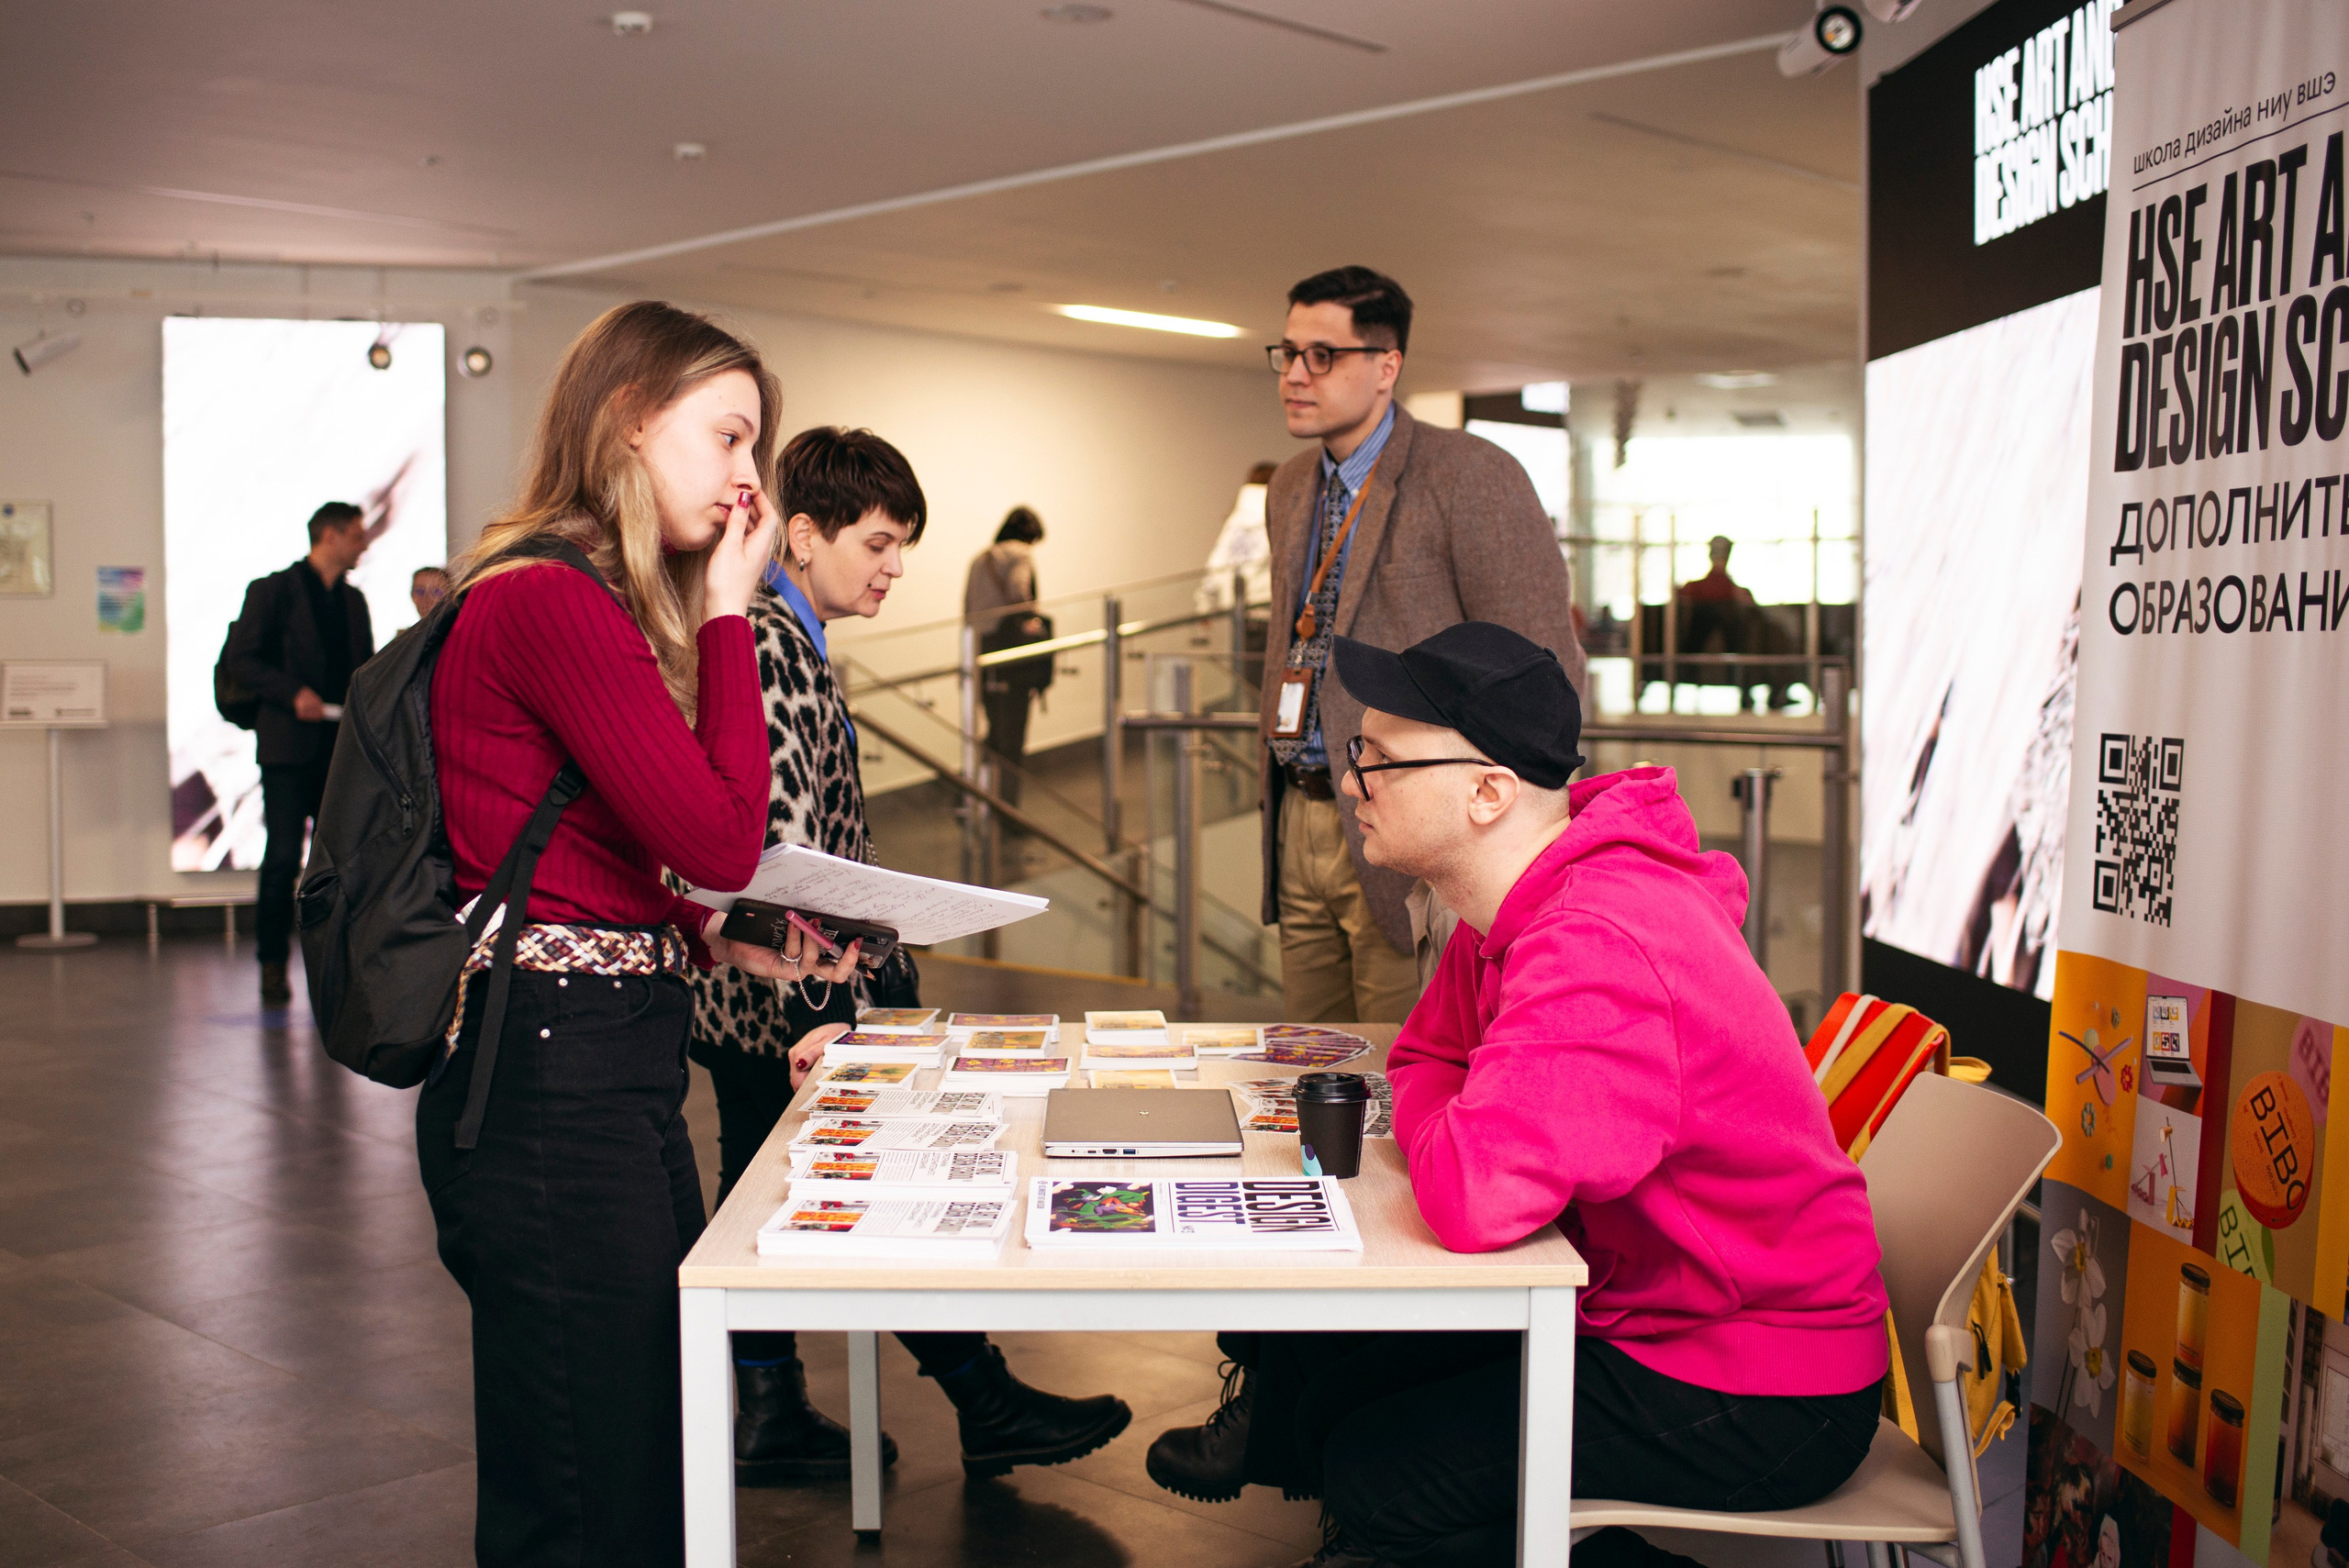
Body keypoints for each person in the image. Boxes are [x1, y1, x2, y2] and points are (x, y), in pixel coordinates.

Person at [1154, 622, 1889, 1568]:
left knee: (1378, 1463)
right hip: (1648, 1308)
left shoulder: (1595, 939)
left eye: (1377, 759)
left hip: (1754, 1375)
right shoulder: (1514, 896)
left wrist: (1453, 1112)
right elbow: (1423, 1054)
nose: (1349, 782)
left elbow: (1470, 1194)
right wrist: (1455, 1106)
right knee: (1330, 1401)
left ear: (1487, 790)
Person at [417, 300, 855, 1568]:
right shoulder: (547, 600)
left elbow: (588, 850)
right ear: (626, 418)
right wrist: (728, 606)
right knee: (587, 1477)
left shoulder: (573, 596)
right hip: (551, 1075)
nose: (745, 485)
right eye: (727, 439)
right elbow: (721, 834)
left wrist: (712, 934)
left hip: (598, 1052)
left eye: (753, 451)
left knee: (641, 1440)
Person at [686, 427, 1130, 1485]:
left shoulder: (782, 636)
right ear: (801, 533)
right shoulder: (761, 643)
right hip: (789, 991)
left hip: (781, 985)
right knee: (839, 1195)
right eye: (878, 542)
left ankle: (776, 1405)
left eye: (902, 546)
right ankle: (971, 1397)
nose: (893, 567)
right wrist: (832, 992)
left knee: (762, 1184)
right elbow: (779, 848)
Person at [1258, 265, 1585, 1026]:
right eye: (1287, 353)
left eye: (1322, 355)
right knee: (1308, 1064)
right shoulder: (1290, 486)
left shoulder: (1471, 477)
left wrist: (1516, 849)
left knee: (1403, 1070)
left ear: (1386, 366)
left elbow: (1545, 676)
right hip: (1304, 805)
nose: (1296, 375)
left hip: (1420, 825)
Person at [219, 500, 376, 1003]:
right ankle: (271, 964)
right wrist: (293, 694)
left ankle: (337, 967)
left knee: (339, 864)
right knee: (283, 858)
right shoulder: (273, 591)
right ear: (329, 536)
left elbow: (365, 670)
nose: (363, 543)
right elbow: (241, 660)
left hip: (338, 751)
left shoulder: (353, 603)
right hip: (288, 749)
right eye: (356, 534)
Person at [963, 506, 1047, 806]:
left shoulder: (980, 560)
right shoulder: (1021, 555)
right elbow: (1018, 589)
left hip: (983, 654)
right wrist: (1030, 618)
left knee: (995, 730)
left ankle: (980, 796)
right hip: (1012, 654)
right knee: (1012, 736)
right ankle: (1008, 808)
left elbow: (968, 610)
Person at [1195, 461, 1279, 614]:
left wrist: (1205, 604)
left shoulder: (1236, 520)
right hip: (1268, 608)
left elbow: (1216, 563)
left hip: (1235, 608)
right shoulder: (1280, 515)